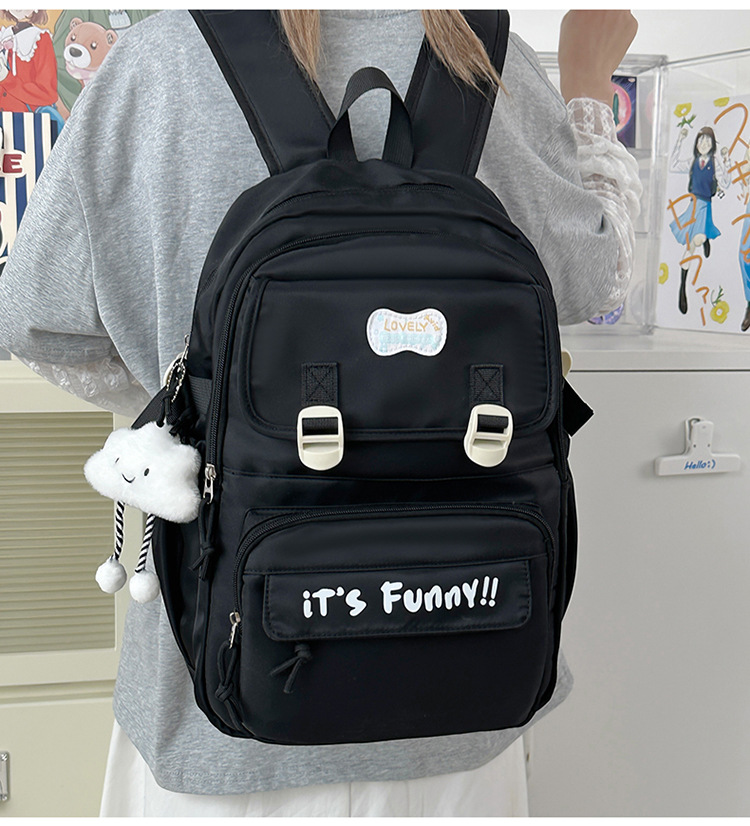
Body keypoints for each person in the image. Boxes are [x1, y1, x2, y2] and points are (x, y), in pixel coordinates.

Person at [0, 9, 641, 817]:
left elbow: (34, 319)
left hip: (218, 709)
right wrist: (588, 91)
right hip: (465, 710)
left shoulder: (160, 60)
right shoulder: (487, 58)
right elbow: (596, 278)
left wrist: (199, 410)